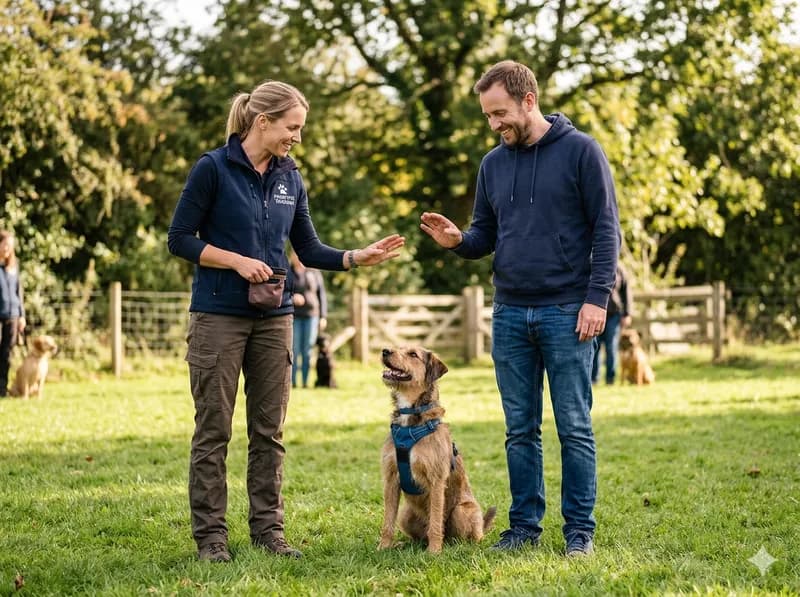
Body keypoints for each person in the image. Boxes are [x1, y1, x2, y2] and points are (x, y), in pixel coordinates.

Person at [167, 80, 405, 563]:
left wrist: (356, 257)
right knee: (213, 431)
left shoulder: (289, 178)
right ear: (263, 121)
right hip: (217, 316)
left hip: (274, 316)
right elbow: (179, 239)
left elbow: (310, 248)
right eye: (292, 127)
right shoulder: (212, 169)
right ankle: (211, 539)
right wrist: (234, 261)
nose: (297, 136)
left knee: (269, 431)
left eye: (300, 128)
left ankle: (268, 532)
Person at [420, 61, 620, 557]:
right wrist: (458, 241)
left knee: (574, 427)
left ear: (529, 100)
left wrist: (597, 299)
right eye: (488, 116)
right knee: (519, 430)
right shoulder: (493, 163)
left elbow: (606, 229)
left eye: (500, 113)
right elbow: (485, 235)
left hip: (568, 311)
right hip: (510, 312)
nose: (494, 124)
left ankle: (579, 532)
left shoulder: (581, 152)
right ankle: (524, 527)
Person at [288, 250, 327, 388]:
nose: (297, 258)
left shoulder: (314, 272)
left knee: (307, 350)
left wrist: (323, 316)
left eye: (299, 254)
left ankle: (305, 382)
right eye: (294, 254)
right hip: (294, 316)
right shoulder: (288, 271)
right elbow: (281, 291)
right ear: (291, 256)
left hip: (312, 316)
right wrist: (292, 298)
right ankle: (292, 382)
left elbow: (321, 294)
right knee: (294, 349)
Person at [592, 263, 632, 385]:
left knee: (611, 347)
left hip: (614, 315)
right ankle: (594, 378)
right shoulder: (593, 265)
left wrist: (627, 314)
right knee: (595, 346)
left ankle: (610, 379)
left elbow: (627, 293)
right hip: (595, 314)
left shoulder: (619, 269)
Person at [0, 230, 26, 398]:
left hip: (13, 315)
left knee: (6, 354)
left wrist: (21, 314)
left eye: (10, 245)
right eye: (5, 244)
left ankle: (2, 388)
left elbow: (18, 292)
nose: (8, 248)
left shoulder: (13, 267)